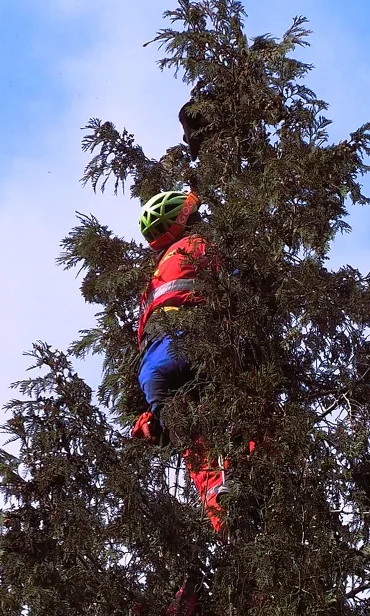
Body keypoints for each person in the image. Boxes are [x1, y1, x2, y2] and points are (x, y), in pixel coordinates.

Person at [130, 188, 244, 615]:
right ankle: (239, 514)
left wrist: (152, 420)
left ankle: (222, 513)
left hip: (154, 369)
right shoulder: (203, 244)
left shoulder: (154, 278)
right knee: (235, 428)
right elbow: (241, 285)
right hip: (195, 345)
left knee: (198, 454)